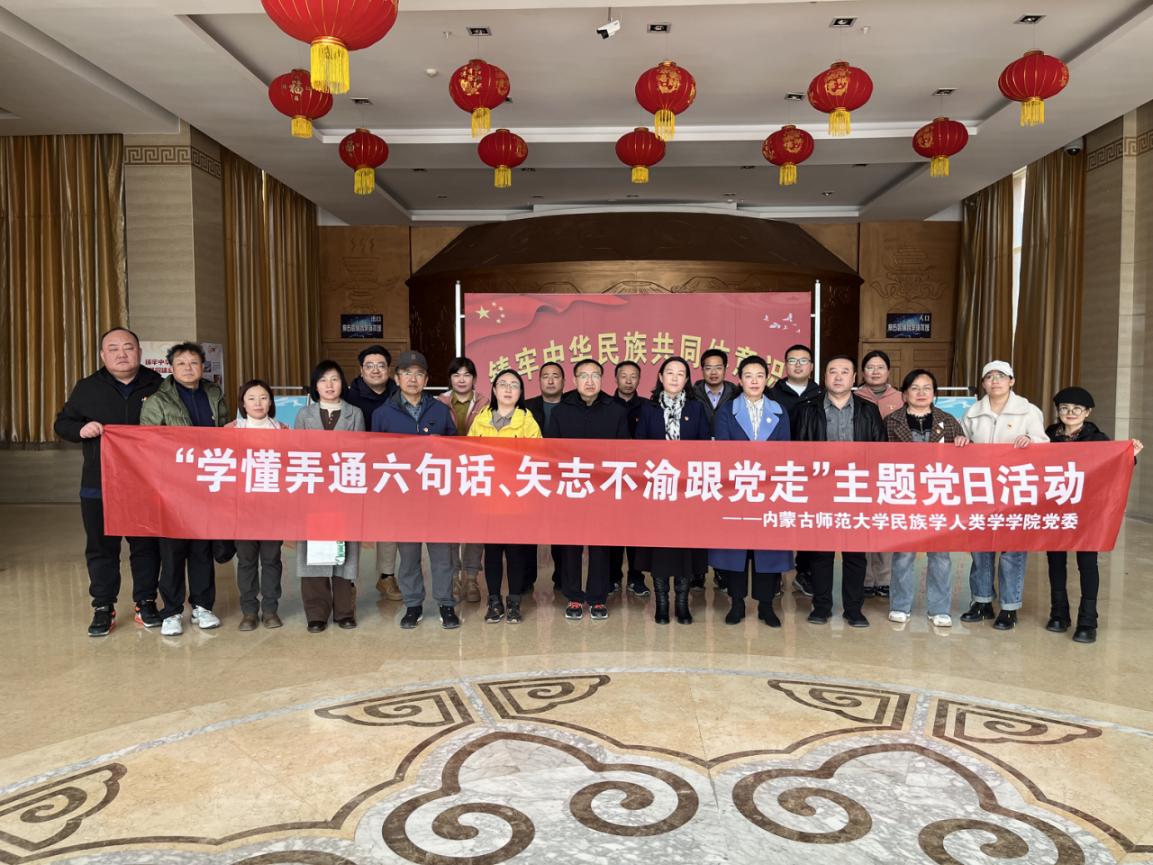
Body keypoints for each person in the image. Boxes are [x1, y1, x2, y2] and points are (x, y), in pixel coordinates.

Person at [54, 327, 163, 637]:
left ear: (139, 352)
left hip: (146, 484)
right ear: (103, 355)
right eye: (113, 349)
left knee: (146, 546)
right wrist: (81, 429)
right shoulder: (88, 387)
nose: (121, 354)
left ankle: (145, 602)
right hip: (99, 483)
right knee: (101, 548)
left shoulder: (158, 385)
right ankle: (103, 606)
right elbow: (63, 423)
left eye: (128, 347)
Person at [140, 342, 229, 636]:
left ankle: (203, 606)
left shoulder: (214, 394)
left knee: (202, 549)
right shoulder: (158, 400)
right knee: (172, 552)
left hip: (206, 485)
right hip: (173, 488)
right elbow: (148, 445)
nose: (188, 368)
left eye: (194, 363)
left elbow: (227, 436)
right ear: (171, 368)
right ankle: (172, 611)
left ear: (203, 366)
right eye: (181, 363)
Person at [791, 355, 887, 628]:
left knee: (855, 554)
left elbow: (880, 452)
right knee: (821, 553)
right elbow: (796, 452)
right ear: (824, 377)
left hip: (857, 490)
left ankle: (853, 609)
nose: (838, 376)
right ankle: (821, 606)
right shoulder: (807, 409)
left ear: (854, 378)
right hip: (820, 490)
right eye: (833, 371)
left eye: (845, 372)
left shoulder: (868, 410)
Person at [1044, 386, 1143, 644]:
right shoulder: (1047, 436)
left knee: (1087, 563)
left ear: (1087, 412)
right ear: (1058, 411)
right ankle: (1059, 613)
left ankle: (1088, 620)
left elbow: (1116, 464)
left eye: (1077, 409)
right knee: (1055, 561)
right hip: (1055, 508)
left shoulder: (1098, 438)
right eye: (1064, 408)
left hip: (1088, 511)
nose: (1070, 413)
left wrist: (1130, 455)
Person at [372, 350, 461, 629]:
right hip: (403, 500)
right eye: (407, 373)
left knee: (442, 556)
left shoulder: (440, 411)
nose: (413, 379)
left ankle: (446, 604)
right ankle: (413, 605)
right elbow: (375, 457)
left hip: (436, 498)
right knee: (409, 556)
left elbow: (455, 451)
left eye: (419, 374)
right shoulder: (382, 414)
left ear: (426, 380)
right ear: (396, 378)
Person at [958, 360, 1048, 631]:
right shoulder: (973, 413)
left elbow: (1044, 446)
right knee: (980, 549)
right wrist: (961, 443)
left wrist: (1031, 443)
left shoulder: (1028, 411)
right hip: (981, 490)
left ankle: (1009, 607)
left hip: (1015, 490)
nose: (995, 381)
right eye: (989, 377)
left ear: (1011, 381)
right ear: (983, 383)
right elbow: (962, 444)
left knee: (1012, 550)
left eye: (1001, 376)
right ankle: (982, 601)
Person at [709, 355, 793, 626]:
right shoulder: (727, 410)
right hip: (737, 489)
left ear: (767, 379)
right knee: (736, 550)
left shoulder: (779, 411)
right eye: (748, 376)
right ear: (740, 379)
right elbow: (723, 451)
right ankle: (736, 603)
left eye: (759, 375)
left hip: (769, 490)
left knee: (766, 550)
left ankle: (766, 606)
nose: (754, 381)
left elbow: (785, 452)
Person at [546, 358, 629, 620]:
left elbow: (626, 451)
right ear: (574, 380)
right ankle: (573, 596)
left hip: (603, 490)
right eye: (584, 376)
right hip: (570, 489)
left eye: (595, 375)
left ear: (603, 380)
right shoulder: (561, 411)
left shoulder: (616, 411)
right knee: (570, 545)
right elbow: (550, 451)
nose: (590, 381)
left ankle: (597, 598)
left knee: (600, 546)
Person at [884, 369, 966, 628]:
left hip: (938, 496)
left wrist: (964, 443)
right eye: (915, 388)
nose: (921, 393)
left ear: (934, 393)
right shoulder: (891, 421)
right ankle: (900, 606)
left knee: (940, 556)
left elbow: (965, 460)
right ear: (904, 394)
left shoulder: (948, 421)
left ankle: (939, 609)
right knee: (903, 554)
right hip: (904, 495)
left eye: (927, 388)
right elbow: (878, 458)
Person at [634, 357, 710, 624]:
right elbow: (639, 447)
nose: (675, 378)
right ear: (660, 377)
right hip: (657, 489)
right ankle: (662, 603)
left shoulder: (696, 409)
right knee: (660, 548)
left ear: (687, 380)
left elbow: (705, 448)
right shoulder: (648, 409)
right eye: (670, 373)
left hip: (687, 491)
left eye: (681, 373)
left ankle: (682, 602)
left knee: (684, 547)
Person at [467, 368, 542, 624]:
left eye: (514, 385)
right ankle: (494, 601)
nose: (508, 389)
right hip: (488, 498)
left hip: (517, 499)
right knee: (492, 552)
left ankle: (514, 601)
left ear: (521, 392)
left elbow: (537, 457)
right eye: (503, 384)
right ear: (494, 389)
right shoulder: (480, 420)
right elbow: (469, 455)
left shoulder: (528, 421)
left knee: (516, 552)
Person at [294, 360, 365, 632]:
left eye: (334, 379)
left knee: (345, 553)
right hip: (313, 492)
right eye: (323, 380)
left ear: (342, 383)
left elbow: (360, 453)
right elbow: (297, 453)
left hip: (344, 492)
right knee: (313, 553)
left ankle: (345, 611)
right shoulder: (304, 415)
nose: (329, 385)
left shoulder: (355, 413)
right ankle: (316, 613)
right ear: (315, 385)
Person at [224, 379, 289, 630]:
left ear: (271, 402)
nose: (258, 403)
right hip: (242, 508)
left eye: (263, 397)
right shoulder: (230, 430)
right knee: (246, 560)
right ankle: (249, 611)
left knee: (272, 559)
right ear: (243, 403)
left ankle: (271, 609)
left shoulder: (283, 431)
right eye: (251, 398)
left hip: (273, 507)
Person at [343, 344, 401, 602]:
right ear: (361, 370)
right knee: (351, 525)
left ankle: (386, 576)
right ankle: (347, 580)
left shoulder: (399, 395)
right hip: (354, 468)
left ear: (389, 369)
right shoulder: (348, 397)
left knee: (389, 524)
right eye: (370, 366)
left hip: (388, 469)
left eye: (381, 365)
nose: (375, 370)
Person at [768, 343, 821, 598]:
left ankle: (805, 572)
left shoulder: (821, 394)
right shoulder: (771, 394)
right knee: (777, 521)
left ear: (811, 366)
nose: (798, 365)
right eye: (792, 360)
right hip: (777, 469)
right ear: (785, 365)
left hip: (812, 470)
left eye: (803, 361)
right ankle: (774, 574)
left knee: (809, 522)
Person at [855, 350, 903, 602]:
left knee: (884, 525)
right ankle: (865, 579)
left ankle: (884, 579)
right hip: (861, 471)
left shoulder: (901, 397)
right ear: (862, 372)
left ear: (888, 371)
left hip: (891, 471)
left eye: (880, 367)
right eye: (870, 367)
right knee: (863, 524)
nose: (875, 371)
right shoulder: (854, 396)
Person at [438, 356, 486, 604]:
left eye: (467, 374)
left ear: (474, 379)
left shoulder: (486, 404)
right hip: (448, 473)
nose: (461, 379)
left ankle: (471, 577)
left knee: (476, 527)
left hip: (477, 471)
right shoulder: (438, 403)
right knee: (450, 527)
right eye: (456, 375)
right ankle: (454, 576)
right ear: (450, 378)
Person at [525, 360, 567, 590]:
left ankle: (561, 578)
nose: (550, 381)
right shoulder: (526, 408)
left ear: (564, 381)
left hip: (563, 478)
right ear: (539, 381)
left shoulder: (572, 406)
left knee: (561, 532)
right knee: (530, 530)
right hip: (532, 477)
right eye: (545, 376)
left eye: (555, 376)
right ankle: (527, 579)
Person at [610, 360, 646, 597]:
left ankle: (636, 577)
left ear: (639, 379)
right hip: (611, 477)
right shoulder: (605, 405)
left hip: (638, 478)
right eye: (624, 376)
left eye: (633, 376)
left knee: (636, 531)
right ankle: (613, 577)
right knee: (613, 530)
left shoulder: (647, 407)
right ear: (616, 379)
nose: (628, 381)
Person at [692, 348, 740, 434]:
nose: (713, 372)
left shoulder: (736, 394)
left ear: (725, 369)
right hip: (699, 441)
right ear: (702, 370)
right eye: (708, 368)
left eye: (718, 368)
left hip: (726, 441)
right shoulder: (692, 394)